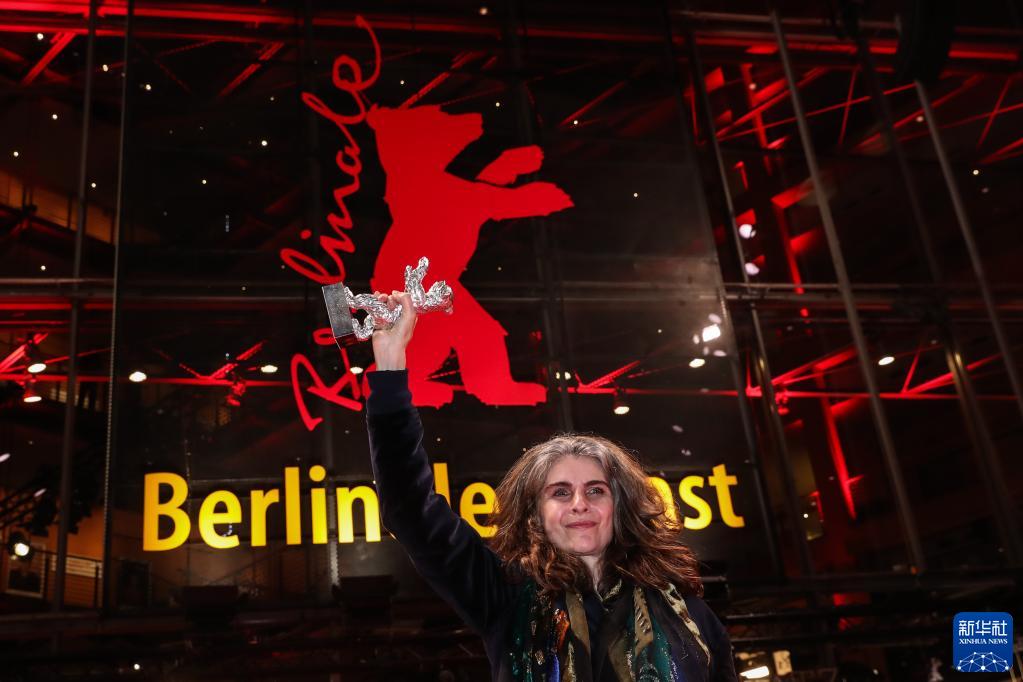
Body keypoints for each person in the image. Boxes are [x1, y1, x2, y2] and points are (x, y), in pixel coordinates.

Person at [366, 290, 738, 682]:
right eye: (560, 492)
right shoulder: (505, 597)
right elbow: (410, 508)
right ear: (535, 514)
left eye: (596, 490)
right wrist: (390, 368)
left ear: (621, 506)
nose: (579, 503)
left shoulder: (690, 615)